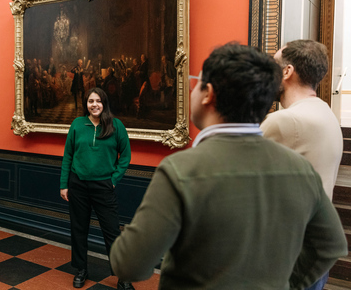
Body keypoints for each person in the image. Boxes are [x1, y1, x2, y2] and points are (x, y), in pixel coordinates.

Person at [109, 43, 347, 289]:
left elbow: (129, 265)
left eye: (196, 84)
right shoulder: (300, 168)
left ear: (208, 94)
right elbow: (330, 245)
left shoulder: (182, 170)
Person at [260, 39, 344, 290]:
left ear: (287, 71)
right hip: (313, 255)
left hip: (287, 257)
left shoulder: (285, 121)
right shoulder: (326, 112)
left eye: (274, 65)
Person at [60, 87, 134, 290]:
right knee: (79, 229)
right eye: (91, 101)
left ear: (104, 103)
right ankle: (81, 270)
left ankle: (123, 276)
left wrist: (113, 180)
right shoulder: (77, 124)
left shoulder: (116, 125)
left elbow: (125, 156)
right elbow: (68, 155)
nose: (94, 105)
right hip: (78, 185)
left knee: (111, 232)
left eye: (98, 101)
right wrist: (64, 184)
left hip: (104, 186)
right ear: (86, 104)